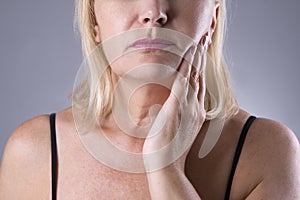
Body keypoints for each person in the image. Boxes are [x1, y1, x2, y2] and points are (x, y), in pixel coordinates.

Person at [0, 0, 299, 199]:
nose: (154, 10)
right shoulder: (34, 153)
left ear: (213, 18)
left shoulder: (267, 153)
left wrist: (165, 170)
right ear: (94, 19)